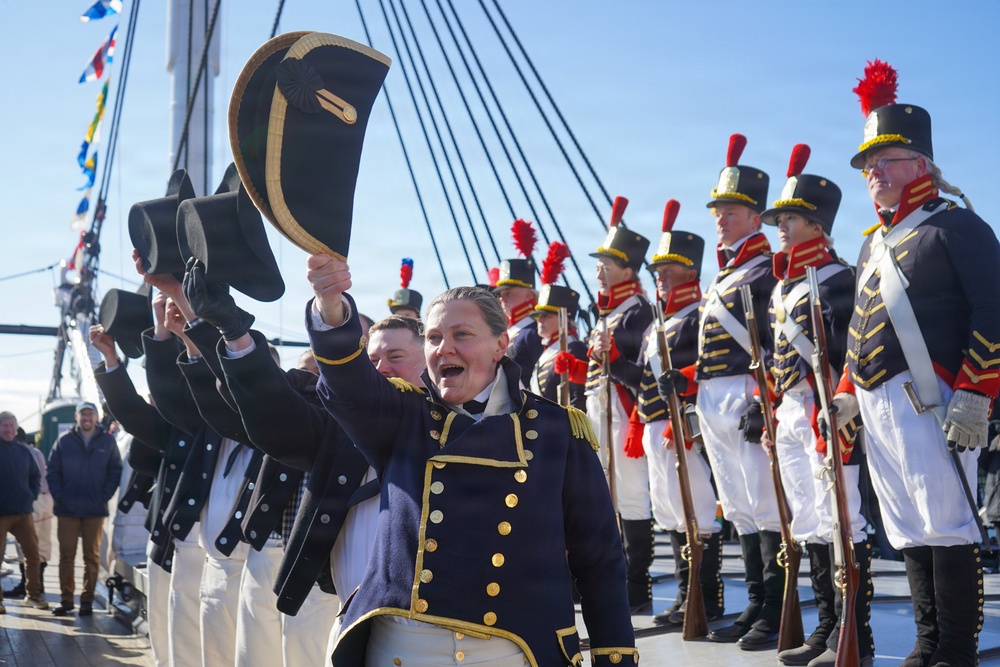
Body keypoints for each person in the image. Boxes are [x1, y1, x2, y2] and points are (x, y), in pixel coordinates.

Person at [305, 253, 638, 666]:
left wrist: (613, 657)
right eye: (432, 337)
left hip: (514, 653)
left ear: (501, 345)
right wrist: (330, 306)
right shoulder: (405, 416)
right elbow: (348, 387)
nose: (445, 348)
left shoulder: (559, 431)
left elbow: (599, 560)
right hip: (403, 653)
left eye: (462, 334)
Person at [831, 61, 1000, 665]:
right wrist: (848, 391)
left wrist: (977, 391)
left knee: (948, 524)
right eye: (868, 165)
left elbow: (993, 308)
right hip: (876, 405)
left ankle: (953, 649)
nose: (873, 171)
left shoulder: (958, 226)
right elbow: (859, 329)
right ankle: (927, 644)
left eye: (887, 159)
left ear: (921, 166)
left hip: (935, 399)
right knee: (907, 528)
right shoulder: (870, 245)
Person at [758, 145, 873, 666]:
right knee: (808, 518)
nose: (780, 226)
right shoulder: (784, 288)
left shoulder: (838, 279)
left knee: (841, 520)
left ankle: (855, 633)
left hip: (828, 411)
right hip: (790, 411)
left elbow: (850, 353)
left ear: (817, 224)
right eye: (780, 218)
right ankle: (826, 624)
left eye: (790, 218)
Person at [689, 134, 784, 649]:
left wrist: (762, 401)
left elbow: (773, 342)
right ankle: (754, 601)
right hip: (712, 396)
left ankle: (775, 606)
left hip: (748, 391)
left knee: (765, 502)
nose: (721, 218)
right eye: (719, 209)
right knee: (737, 503)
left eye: (732, 210)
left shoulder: (767, 268)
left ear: (756, 217)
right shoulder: (724, 275)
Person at [639, 200, 725, 627]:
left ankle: (707, 597)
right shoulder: (658, 324)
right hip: (656, 427)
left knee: (699, 509)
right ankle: (687, 591)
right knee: (672, 512)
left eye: (667, 273)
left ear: (691, 273)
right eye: (656, 273)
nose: (659, 279)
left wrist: (685, 421)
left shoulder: (697, 317)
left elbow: (706, 372)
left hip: (683, 428)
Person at [582, 198, 655, 614]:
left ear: (628, 271)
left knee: (630, 498)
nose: (599, 269)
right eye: (599, 262)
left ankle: (637, 583)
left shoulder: (637, 312)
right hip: (599, 413)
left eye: (608, 263)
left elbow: (642, 377)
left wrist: (611, 360)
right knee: (605, 498)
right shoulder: (606, 314)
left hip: (626, 415)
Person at [46, 401, 123, 616]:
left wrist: (104, 495)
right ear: (76, 416)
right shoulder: (64, 441)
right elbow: (52, 471)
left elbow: (115, 471)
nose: (87, 418)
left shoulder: (107, 442)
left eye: (90, 414)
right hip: (67, 510)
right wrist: (59, 496)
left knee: (92, 556)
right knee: (66, 556)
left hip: (94, 510)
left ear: (96, 416)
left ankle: (87, 600)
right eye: (83, 414)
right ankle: (66, 599)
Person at [0, 411, 48, 613]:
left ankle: (33, 595)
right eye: (5, 425)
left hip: (23, 513)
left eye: (12, 425)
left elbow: (35, 476)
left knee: (33, 555)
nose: (9, 429)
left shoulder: (24, 452)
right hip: (1, 514)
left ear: (17, 428)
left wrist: (31, 494)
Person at [495, 218, 545, 388]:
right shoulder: (511, 331)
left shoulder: (534, 332)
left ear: (528, 295)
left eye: (509, 293)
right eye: (501, 295)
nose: (503, 299)